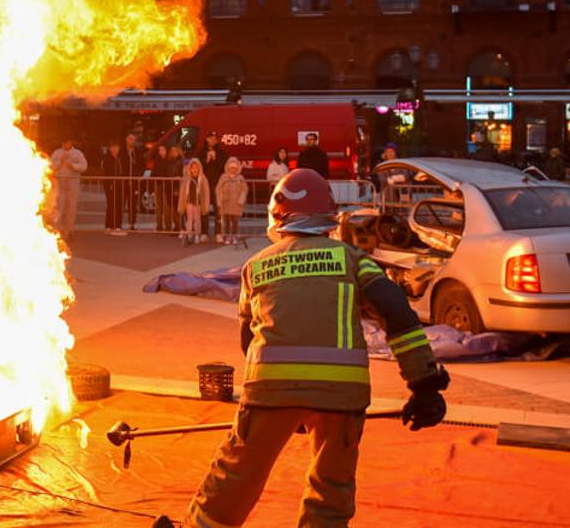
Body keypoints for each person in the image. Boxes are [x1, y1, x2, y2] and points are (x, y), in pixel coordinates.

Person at [185, 168, 448, 528]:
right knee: (331, 489)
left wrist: (286, 399)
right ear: (328, 215)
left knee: (236, 474)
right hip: (341, 397)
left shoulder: (255, 266)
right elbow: (396, 311)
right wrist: (424, 384)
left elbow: (248, 339)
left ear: (277, 214)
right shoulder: (351, 259)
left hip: (269, 393)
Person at [49, 139, 88, 239]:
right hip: (60, 183)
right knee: (59, 207)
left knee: (71, 207)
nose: (66, 144)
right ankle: (58, 230)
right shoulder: (57, 153)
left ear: (71, 143)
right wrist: (60, 162)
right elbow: (50, 166)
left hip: (73, 183)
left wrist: (73, 166)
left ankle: (70, 230)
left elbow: (84, 166)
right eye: (64, 142)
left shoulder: (78, 153)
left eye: (68, 142)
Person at [215, 157, 247, 246]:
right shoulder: (223, 177)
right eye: (231, 168)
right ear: (228, 168)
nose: (232, 169)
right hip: (226, 203)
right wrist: (219, 201)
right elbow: (218, 189)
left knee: (235, 221)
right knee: (227, 221)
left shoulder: (240, 178)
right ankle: (227, 236)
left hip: (236, 204)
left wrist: (241, 201)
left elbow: (244, 190)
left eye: (234, 168)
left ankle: (234, 236)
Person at [178, 157, 211, 245]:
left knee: (197, 219)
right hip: (189, 202)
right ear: (190, 168)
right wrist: (181, 204)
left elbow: (206, 191)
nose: (194, 170)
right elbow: (183, 191)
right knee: (189, 219)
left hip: (198, 203)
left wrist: (206, 204)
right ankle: (189, 234)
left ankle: (197, 234)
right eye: (193, 168)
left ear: (199, 168)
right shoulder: (187, 178)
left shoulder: (202, 178)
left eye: (196, 168)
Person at [101, 140, 130, 236]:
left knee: (119, 205)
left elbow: (125, 170)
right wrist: (109, 183)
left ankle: (118, 225)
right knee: (111, 205)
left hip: (120, 184)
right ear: (110, 149)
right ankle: (108, 225)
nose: (115, 149)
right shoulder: (107, 159)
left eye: (116, 147)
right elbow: (106, 172)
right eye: (113, 147)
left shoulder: (121, 158)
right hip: (110, 185)